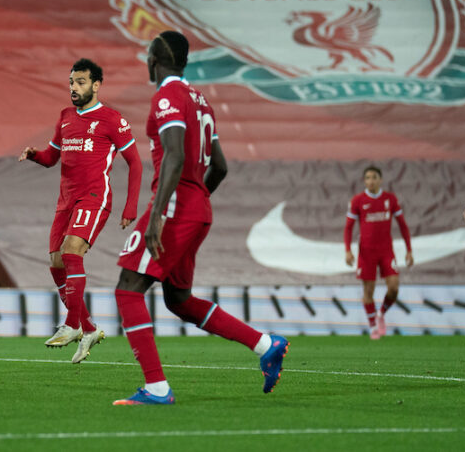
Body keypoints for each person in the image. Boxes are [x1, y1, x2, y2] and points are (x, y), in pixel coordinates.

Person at [112, 31, 289, 405]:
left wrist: (159, 213)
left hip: (175, 206)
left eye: (148, 57)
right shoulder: (201, 101)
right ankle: (265, 344)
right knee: (178, 299)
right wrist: (197, 199)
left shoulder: (166, 97)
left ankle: (157, 388)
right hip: (197, 208)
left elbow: (174, 155)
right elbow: (220, 167)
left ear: (154, 60)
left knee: (128, 288)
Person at [19, 58, 143, 364]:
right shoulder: (65, 117)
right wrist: (36, 155)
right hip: (66, 200)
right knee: (56, 261)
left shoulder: (112, 119)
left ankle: (72, 323)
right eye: (72, 82)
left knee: (72, 252)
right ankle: (88, 327)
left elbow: (136, 163)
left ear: (97, 85)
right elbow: (53, 158)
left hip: (94, 197)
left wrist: (130, 207)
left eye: (81, 82)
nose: (74, 88)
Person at [344, 166, 413, 340]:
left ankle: (381, 314)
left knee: (394, 287)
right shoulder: (358, 200)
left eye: (374, 177)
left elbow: (403, 225)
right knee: (368, 291)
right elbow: (348, 227)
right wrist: (348, 250)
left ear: (380, 179)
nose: (371, 181)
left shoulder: (390, 199)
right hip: (366, 252)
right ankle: (374, 326)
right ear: (364, 181)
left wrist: (409, 250)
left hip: (386, 250)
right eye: (367, 178)